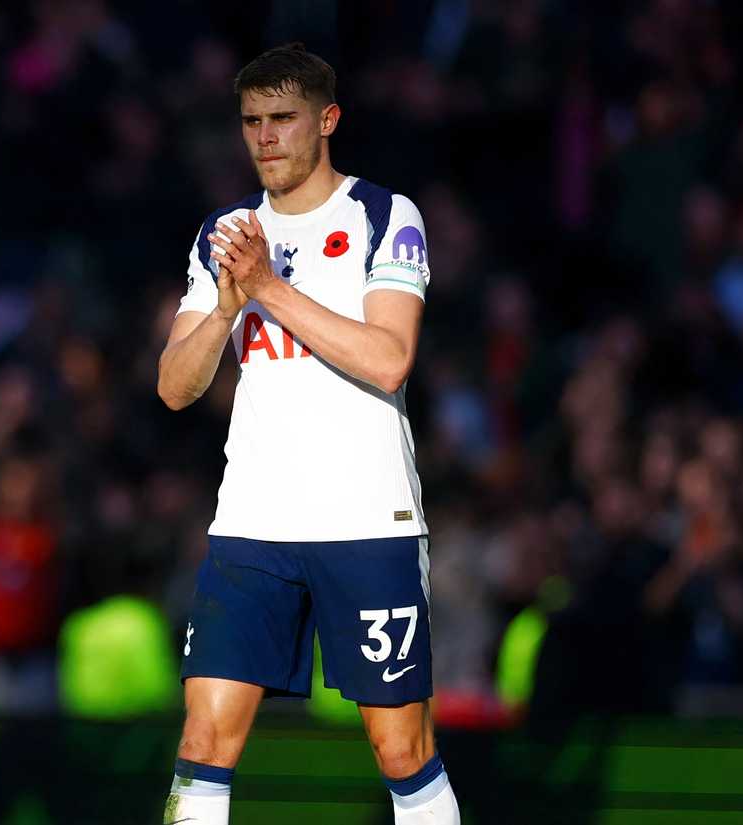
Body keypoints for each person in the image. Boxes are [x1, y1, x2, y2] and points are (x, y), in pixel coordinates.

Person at [155, 45, 459, 823]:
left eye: (283, 119)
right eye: (252, 121)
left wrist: (266, 288)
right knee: (204, 737)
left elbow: (388, 359)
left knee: (401, 749)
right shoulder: (223, 234)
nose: (266, 138)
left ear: (326, 120)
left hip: (367, 520)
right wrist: (227, 306)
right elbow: (175, 387)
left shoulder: (384, 217)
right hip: (252, 521)